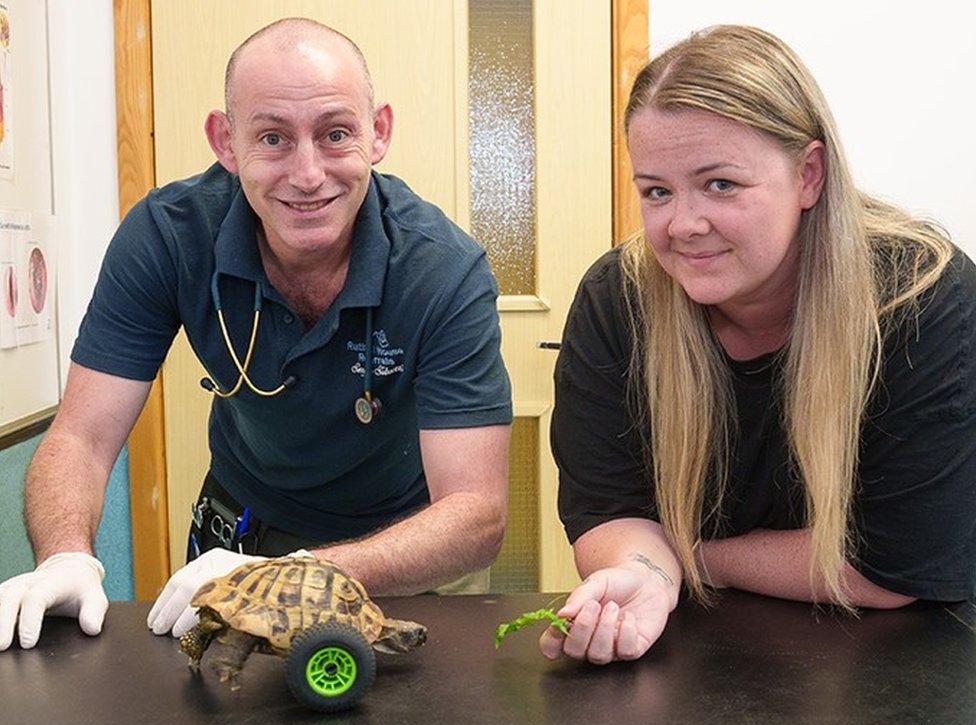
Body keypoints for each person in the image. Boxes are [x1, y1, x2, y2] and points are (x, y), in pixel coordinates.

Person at [0, 18, 512, 652]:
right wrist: (66, 557)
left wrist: (298, 576)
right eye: (272, 137)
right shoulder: (169, 235)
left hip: (403, 553)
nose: (306, 173)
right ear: (226, 141)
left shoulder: (442, 270)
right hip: (240, 534)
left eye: (335, 134)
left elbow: (475, 514)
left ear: (377, 132)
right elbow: (81, 434)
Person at [540, 24, 976, 665]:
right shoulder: (618, 300)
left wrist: (687, 561)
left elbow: (897, 566)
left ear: (808, 174)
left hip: (906, 659)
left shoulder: (922, 298)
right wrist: (645, 573)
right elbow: (609, 508)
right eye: (656, 191)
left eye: (720, 184)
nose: (683, 225)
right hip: (693, 657)